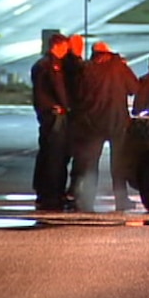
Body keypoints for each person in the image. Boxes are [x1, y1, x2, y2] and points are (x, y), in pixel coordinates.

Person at [69, 41, 139, 212]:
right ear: (108, 52)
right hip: (117, 121)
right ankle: (121, 199)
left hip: (93, 123)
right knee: (118, 163)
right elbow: (134, 88)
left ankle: (88, 200)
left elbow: (78, 94)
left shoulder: (87, 68)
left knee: (91, 163)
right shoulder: (119, 67)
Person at [30, 33, 72, 211]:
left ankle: (45, 191)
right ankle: (52, 194)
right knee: (55, 156)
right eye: (65, 47)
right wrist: (67, 106)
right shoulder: (51, 66)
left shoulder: (41, 64)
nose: (66, 51)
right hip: (54, 116)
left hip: (47, 114)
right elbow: (58, 88)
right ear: (57, 46)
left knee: (47, 154)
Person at [61, 33, 85, 206]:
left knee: (65, 156)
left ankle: (64, 190)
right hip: (76, 116)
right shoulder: (76, 65)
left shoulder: (63, 63)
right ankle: (72, 190)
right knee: (78, 156)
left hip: (70, 115)